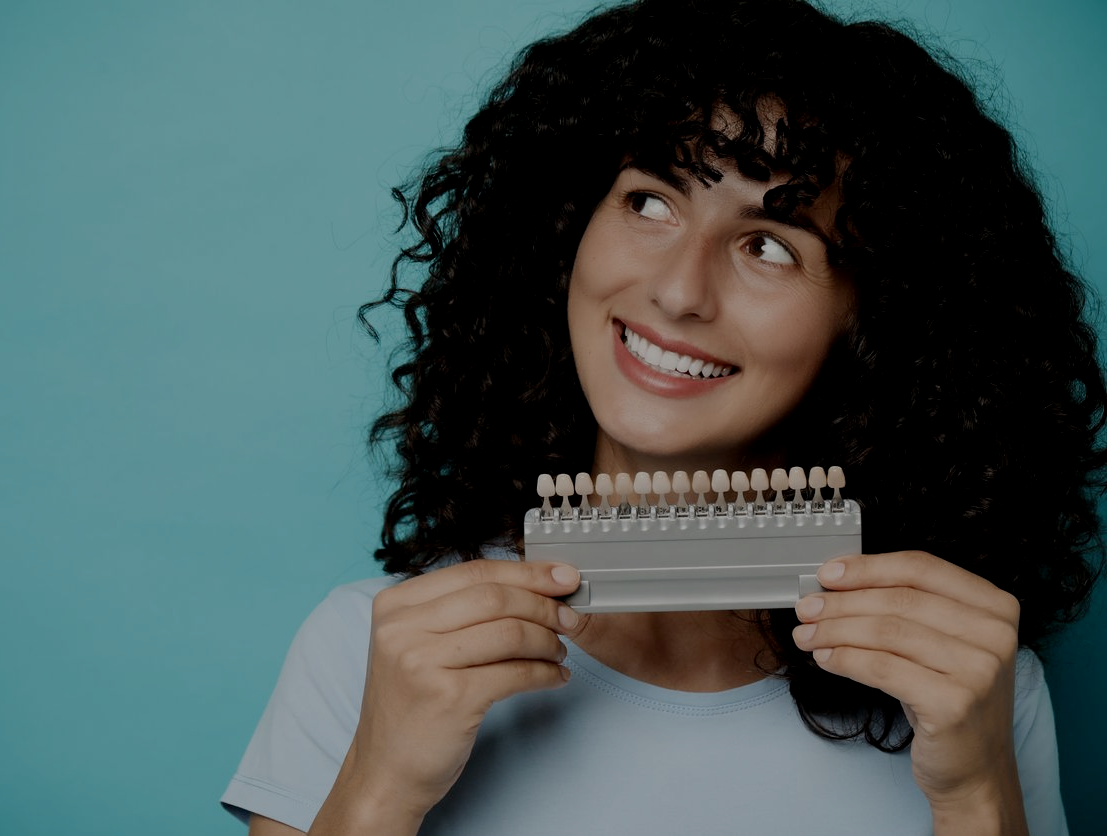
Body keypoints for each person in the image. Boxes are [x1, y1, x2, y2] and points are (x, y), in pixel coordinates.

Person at [221, 0, 1105, 833]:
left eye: (769, 245)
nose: (679, 291)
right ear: (568, 225)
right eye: (651, 201)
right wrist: (379, 789)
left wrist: (981, 796)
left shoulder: (972, 686)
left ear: (875, 323)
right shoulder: (370, 651)